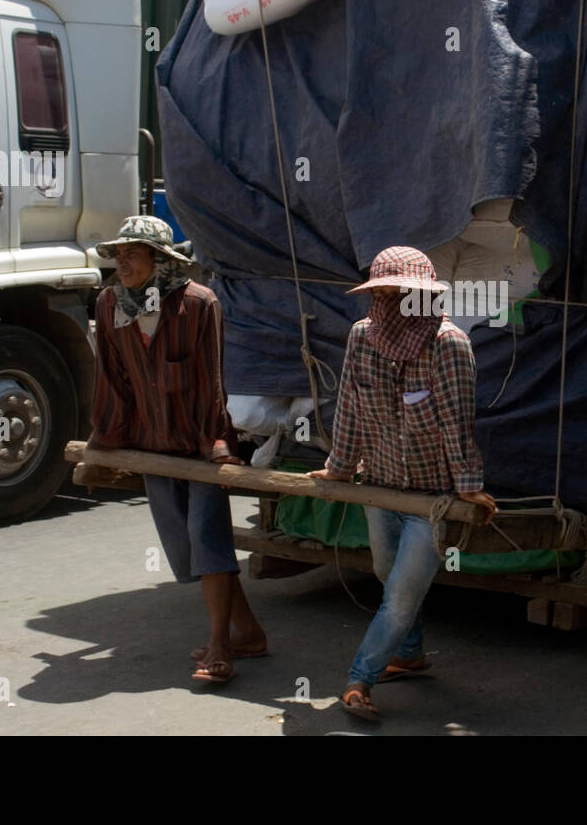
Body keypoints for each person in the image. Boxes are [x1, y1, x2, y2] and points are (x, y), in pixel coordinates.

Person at [308, 246, 495, 721]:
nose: (392, 303)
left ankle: (358, 681)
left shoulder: (449, 344)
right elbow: (349, 406)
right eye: (384, 294)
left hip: (432, 501)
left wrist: (468, 486)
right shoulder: (362, 338)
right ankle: (409, 653)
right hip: (381, 485)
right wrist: (339, 468)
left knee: (400, 597)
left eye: (403, 294)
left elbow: (458, 423)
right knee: (386, 573)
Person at [88, 215, 266, 684]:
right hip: (152, 445)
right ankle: (247, 630)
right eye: (118, 254)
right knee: (188, 546)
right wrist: (105, 441)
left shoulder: (198, 304)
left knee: (207, 537)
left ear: (160, 261)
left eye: (133, 253)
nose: (121, 262)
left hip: (197, 445)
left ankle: (221, 647)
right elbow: (111, 378)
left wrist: (217, 441)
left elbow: (212, 381)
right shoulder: (110, 305)